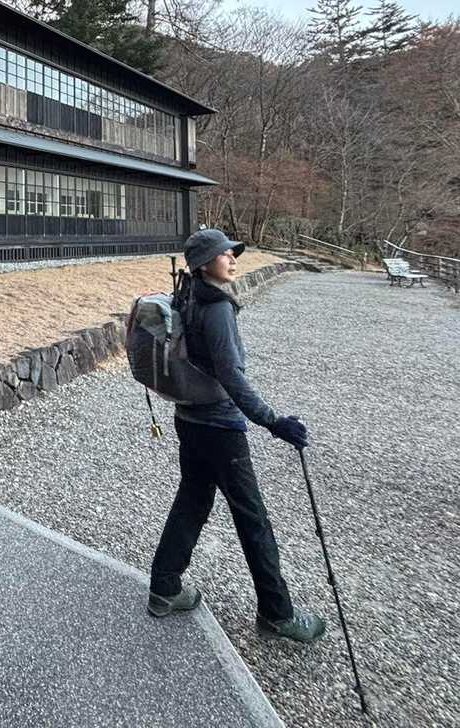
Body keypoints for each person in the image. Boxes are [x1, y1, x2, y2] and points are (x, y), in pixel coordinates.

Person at [147, 228, 327, 643]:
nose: (232, 259)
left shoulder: (188, 296)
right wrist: (273, 421)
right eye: (224, 254)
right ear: (203, 263)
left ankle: (164, 587)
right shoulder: (216, 309)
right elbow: (231, 376)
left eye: (232, 253)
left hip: (189, 418)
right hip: (220, 428)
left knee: (192, 501)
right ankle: (277, 614)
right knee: (252, 518)